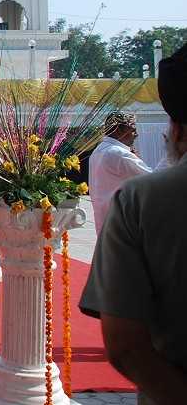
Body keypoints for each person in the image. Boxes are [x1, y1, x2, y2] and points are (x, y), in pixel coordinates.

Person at [80, 44, 187, 405]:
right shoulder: (123, 159)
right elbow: (151, 174)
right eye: (133, 132)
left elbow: (126, 348)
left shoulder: (101, 152)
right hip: (120, 214)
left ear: (177, 126)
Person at [89, 111, 152, 233]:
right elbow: (153, 181)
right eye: (133, 129)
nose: (136, 134)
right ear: (119, 131)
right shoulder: (120, 154)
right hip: (122, 226)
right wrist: (172, 154)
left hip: (105, 222)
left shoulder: (98, 151)